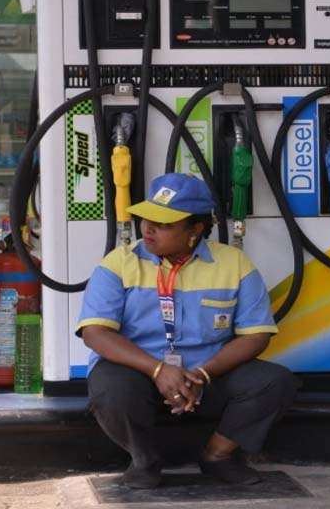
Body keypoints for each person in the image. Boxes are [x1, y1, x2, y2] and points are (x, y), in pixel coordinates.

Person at [77, 172, 300, 489]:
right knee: (109, 386)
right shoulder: (118, 264)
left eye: (164, 224)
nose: (148, 229)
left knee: (275, 381)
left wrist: (203, 374)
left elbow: (257, 335)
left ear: (195, 229)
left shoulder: (235, 264)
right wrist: (158, 370)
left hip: (207, 377)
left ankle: (217, 456)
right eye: (147, 218)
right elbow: (95, 333)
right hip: (140, 374)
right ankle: (144, 461)